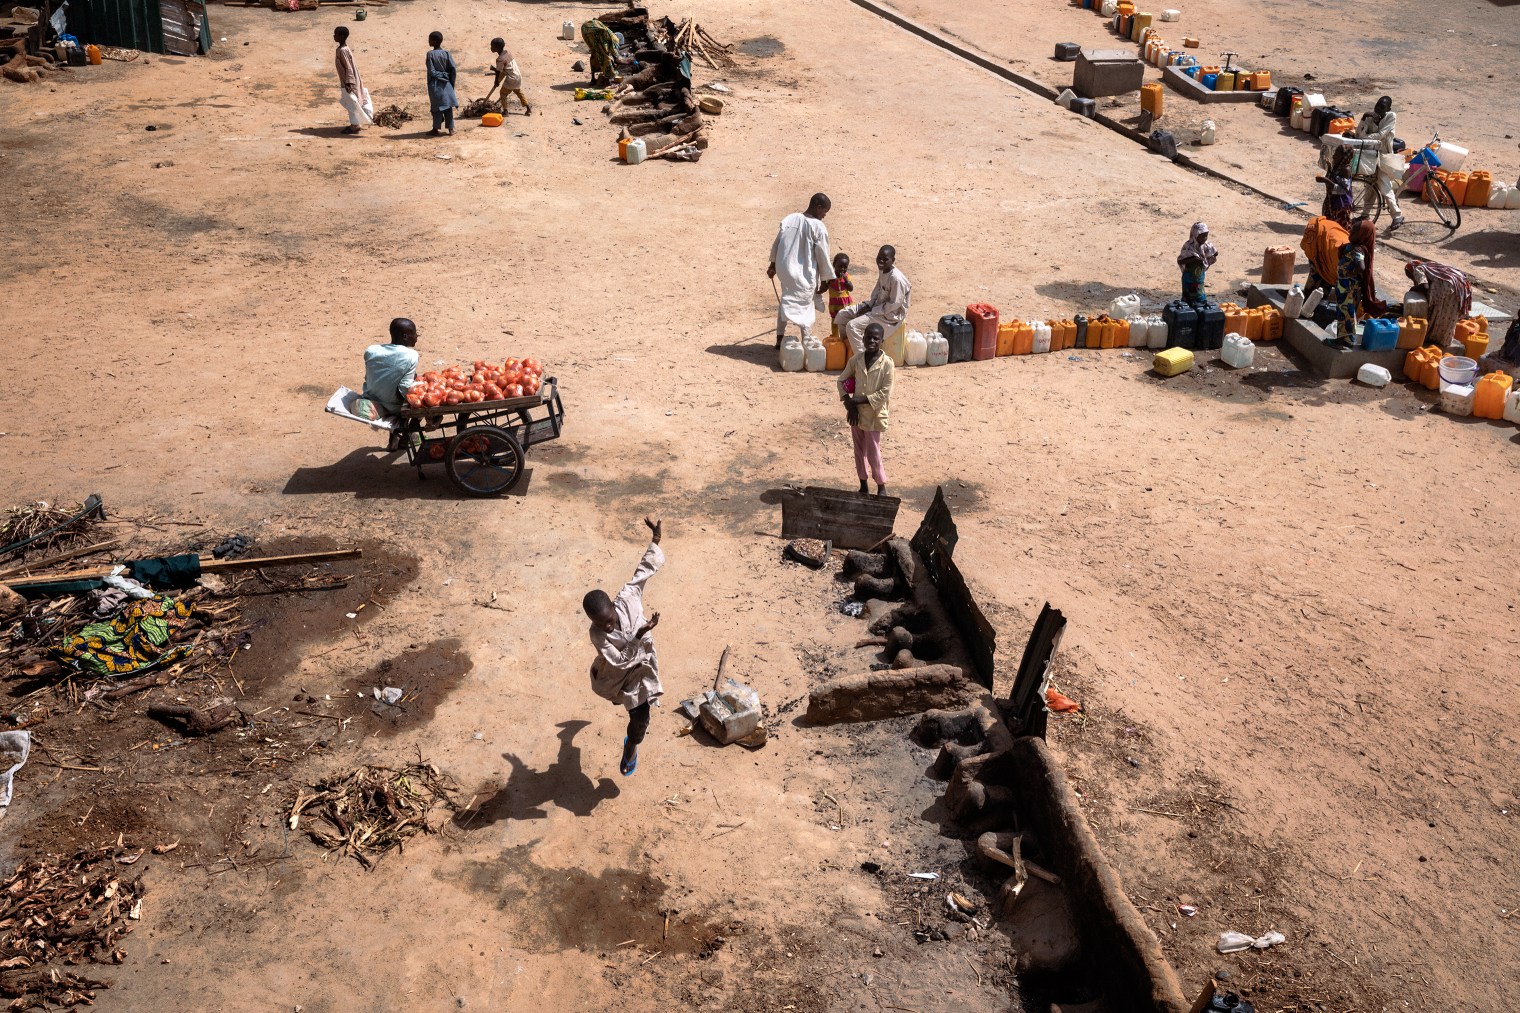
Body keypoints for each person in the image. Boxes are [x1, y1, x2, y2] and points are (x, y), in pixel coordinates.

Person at [584, 516, 665, 777]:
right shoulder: (597, 634)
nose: (607, 627)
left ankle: (631, 745)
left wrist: (656, 539)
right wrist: (639, 634)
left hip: (640, 669)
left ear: (612, 607)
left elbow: (643, 571)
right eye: (601, 624)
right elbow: (618, 659)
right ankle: (632, 738)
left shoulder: (628, 597)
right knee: (632, 706)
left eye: (609, 621)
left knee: (641, 719)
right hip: (618, 672)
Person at [768, 193, 834, 349]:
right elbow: (823, 255)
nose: (824, 215)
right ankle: (807, 340)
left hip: (786, 272)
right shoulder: (818, 227)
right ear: (818, 207)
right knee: (806, 306)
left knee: (786, 301)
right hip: (803, 275)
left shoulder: (790, 219)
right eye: (825, 211)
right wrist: (825, 280)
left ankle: (779, 339)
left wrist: (772, 265)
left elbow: (777, 243)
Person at [838, 323, 894, 497]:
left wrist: (858, 400)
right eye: (868, 337)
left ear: (881, 341)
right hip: (857, 415)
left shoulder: (887, 364)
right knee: (858, 450)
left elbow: (884, 393)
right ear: (862, 339)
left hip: (874, 416)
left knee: (873, 452)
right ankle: (863, 483)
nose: (871, 341)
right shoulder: (856, 360)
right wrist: (849, 404)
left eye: (875, 338)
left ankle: (881, 485)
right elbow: (841, 381)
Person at [833, 245, 912, 356]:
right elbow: (877, 290)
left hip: (889, 317)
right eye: (879, 257)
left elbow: (893, 305)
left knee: (852, 326)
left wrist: (872, 311)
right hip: (876, 307)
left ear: (892, 261)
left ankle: (864, 360)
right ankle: (848, 352)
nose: (881, 261)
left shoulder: (896, 279)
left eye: (885, 259)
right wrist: (869, 306)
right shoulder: (883, 270)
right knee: (842, 315)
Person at [1331, 218, 1385, 347]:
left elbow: (1361, 267)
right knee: (1343, 312)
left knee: (1347, 313)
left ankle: (1345, 341)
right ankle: (1345, 339)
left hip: (1348, 287)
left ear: (1362, 235)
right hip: (1344, 284)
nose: (1350, 230)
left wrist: (1350, 273)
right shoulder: (1352, 246)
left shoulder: (1358, 249)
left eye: (1354, 230)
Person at [1355, 96, 1404, 229]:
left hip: (1383, 157)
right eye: (1377, 106)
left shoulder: (1391, 117)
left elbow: (1381, 135)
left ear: (1388, 109)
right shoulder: (1369, 117)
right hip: (1370, 156)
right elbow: (1358, 135)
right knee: (1369, 187)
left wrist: (1366, 138)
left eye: (1382, 107)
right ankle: (1365, 214)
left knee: (1384, 186)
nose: (1378, 109)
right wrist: (1363, 118)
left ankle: (1397, 216)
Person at [1405, 260, 1472, 350]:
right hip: (1461, 286)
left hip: (1449, 285)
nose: (1412, 279)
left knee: (1437, 312)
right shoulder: (1431, 266)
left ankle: (1431, 339)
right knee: (1450, 315)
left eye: (1410, 277)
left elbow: (1424, 287)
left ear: (1411, 271)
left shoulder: (1418, 269)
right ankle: (1443, 341)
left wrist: (1413, 289)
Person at [359, 318, 419, 417]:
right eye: (415, 333)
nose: (416, 336)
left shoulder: (371, 351)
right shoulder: (411, 355)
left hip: (370, 401)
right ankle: (413, 424)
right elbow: (405, 387)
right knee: (423, 398)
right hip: (392, 408)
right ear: (405, 336)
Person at [333, 26, 372, 135]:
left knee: (352, 103)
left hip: (349, 82)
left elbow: (349, 67)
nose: (334, 36)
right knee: (353, 102)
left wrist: (348, 83)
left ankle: (354, 126)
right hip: (349, 81)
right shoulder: (342, 49)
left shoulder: (343, 51)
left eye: (335, 34)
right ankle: (356, 123)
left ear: (342, 36)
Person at [1300, 215, 1350, 298]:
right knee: (1316, 278)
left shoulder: (1345, 256)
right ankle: (1309, 301)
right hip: (1318, 239)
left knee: (1325, 280)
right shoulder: (1341, 257)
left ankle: (1317, 301)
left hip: (1325, 244)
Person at [485, 36, 531, 116]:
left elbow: (499, 72)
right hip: (517, 76)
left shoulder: (500, 59)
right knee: (518, 92)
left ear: (497, 48)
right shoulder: (508, 53)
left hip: (511, 78)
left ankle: (505, 111)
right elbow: (505, 69)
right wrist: (495, 70)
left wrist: (496, 81)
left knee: (503, 93)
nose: (491, 48)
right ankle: (528, 108)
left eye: (492, 46)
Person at [425, 32, 458, 136]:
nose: (428, 41)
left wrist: (442, 75)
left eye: (429, 39)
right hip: (447, 84)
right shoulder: (447, 53)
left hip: (435, 85)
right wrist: (451, 83)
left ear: (434, 41)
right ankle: (451, 129)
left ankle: (435, 129)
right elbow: (453, 69)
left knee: (436, 108)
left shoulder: (430, 54)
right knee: (448, 106)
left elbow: (432, 72)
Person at [1177, 222, 1218, 305]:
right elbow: (1180, 261)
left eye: (1206, 235)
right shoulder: (1188, 246)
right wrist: (1193, 259)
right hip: (1188, 278)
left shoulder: (1206, 245)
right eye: (1202, 236)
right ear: (1195, 235)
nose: (1205, 238)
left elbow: (1215, 252)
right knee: (1187, 301)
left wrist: (1212, 256)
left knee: (1200, 297)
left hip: (1199, 278)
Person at [1317, 146, 1354, 229]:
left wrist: (1326, 180)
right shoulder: (1337, 167)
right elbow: (1333, 179)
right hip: (1332, 202)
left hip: (1341, 205)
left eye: (1336, 154)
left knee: (1341, 229)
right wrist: (1329, 169)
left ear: (1344, 156)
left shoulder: (1346, 169)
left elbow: (1343, 190)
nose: (1333, 156)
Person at [820, 252, 853, 335]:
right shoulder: (830, 277)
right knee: (835, 321)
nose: (842, 269)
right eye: (840, 266)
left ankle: (846, 337)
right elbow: (824, 288)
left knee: (846, 320)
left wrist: (846, 281)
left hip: (845, 304)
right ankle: (835, 338)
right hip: (834, 304)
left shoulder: (847, 276)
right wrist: (827, 283)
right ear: (834, 265)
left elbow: (851, 289)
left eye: (845, 267)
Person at [581, 19, 620, 86]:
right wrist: (617, 61)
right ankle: (608, 80)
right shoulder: (615, 41)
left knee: (595, 53)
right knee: (604, 57)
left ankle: (593, 79)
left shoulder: (610, 36)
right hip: (593, 30)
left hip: (585, 28)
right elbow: (616, 58)